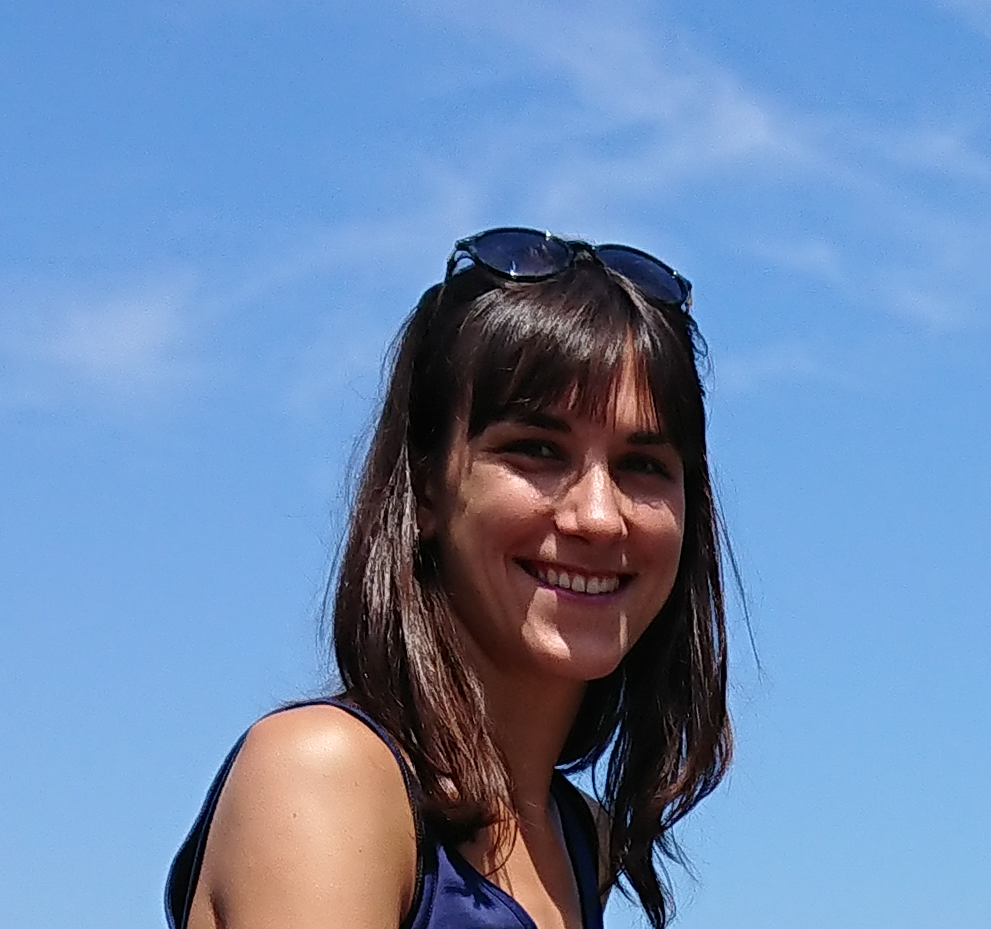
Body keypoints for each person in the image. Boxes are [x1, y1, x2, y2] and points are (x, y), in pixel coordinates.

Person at [165, 227, 732, 929]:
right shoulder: (327, 774)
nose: (598, 516)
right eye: (536, 450)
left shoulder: (583, 845)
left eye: (642, 465)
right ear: (426, 488)